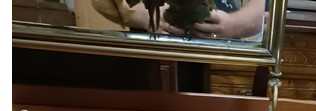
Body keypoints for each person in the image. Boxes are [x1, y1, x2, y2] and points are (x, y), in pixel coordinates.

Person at [92, 0, 265, 40]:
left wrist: (230, 25)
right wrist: (140, 15)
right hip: (152, 58)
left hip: (220, 64)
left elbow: (260, 12)